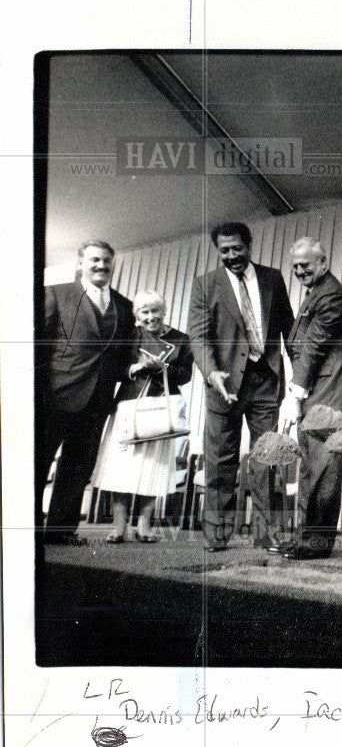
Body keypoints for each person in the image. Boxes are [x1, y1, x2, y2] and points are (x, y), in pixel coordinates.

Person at [188, 222, 294, 552]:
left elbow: (288, 329)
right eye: (224, 250)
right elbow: (199, 336)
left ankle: (266, 534)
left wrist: (302, 377)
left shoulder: (272, 278)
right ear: (217, 251)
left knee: (266, 459)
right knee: (221, 459)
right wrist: (210, 372)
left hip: (265, 381)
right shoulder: (205, 284)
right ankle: (217, 535)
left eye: (237, 248)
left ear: (248, 246)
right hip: (224, 385)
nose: (232, 256)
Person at [36, 240, 135, 545]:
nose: (101, 266)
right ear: (80, 263)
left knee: (78, 469)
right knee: (37, 465)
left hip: (97, 402)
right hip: (54, 396)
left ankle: (61, 532)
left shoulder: (123, 306)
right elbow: (38, 348)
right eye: (94, 260)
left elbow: (121, 357)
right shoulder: (55, 294)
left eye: (107, 260)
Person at [275, 237, 342, 560]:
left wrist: (294, 393)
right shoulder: (316, 293)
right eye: (295, 266)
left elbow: (312, 347)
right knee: (311, 467)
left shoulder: (331, 296)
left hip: (331, 393)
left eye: (305, 265)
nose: (299, 271)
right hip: (317, 391)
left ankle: (316, 544)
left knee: (324, 468)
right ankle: (304, 538)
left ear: (323, 263)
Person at [91, 290, 193, 542]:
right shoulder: (131, 336)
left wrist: (164, 368)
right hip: (128, 407)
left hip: (160, 409)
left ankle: (144, 526)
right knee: (121, 467)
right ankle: (118, 527)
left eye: (155, 311)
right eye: (144, 312)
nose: (151, 317)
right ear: (137, 316)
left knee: (153, 468)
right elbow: (113, 367)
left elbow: (185, 375)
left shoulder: (181, 339)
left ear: (164, 311)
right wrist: (132, 369)